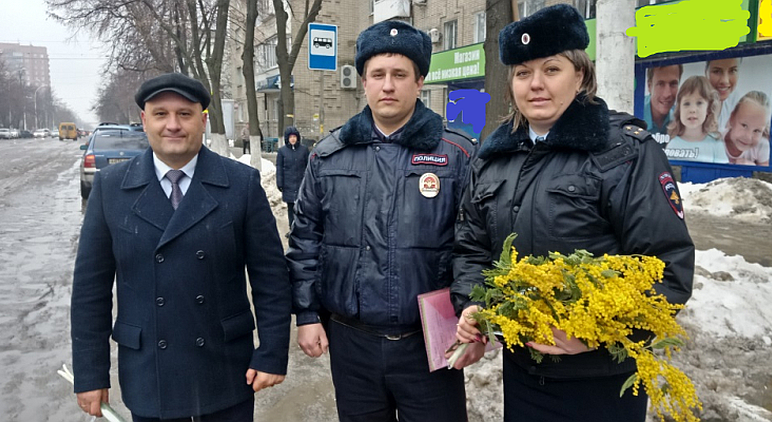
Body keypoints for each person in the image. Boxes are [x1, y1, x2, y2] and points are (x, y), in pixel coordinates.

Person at [449, 5, 695, 422]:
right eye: (523, 73)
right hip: (524, 372)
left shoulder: (624, 151)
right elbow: (472, 246)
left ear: (579, 75)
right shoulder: (494, 156)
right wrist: (473, 303)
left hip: (601, 380)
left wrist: (592, 331)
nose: (536, 84)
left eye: (552, 69)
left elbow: (667, 267)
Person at [71, 73, 291, 422]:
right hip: (150, 374)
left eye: (185, 114)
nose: (173, 125)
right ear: (144, 121)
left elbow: (271, 278)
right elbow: (90, 291)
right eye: (161, 114)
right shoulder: (112, 189)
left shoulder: (240, 184)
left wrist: (273, 352)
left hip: (225, 368)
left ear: (203, 121)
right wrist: (90, 374)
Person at [286, 20, 476, 422]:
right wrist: (305, 315)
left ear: (419, 81)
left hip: (429, 344)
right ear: (364, 81)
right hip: (352, 343)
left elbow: (474, 243)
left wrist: (472, 312)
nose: (388, 85)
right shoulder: (329, 154)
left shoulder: (457, 154)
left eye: (400, 74)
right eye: (378, 75)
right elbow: (306, 238)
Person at [665, 75, 726, 163]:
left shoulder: (716, 144)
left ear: (708, 109)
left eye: (699, 103)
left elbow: (725, 176)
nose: (692, 110)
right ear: (679, 109)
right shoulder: (673, 145)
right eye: (687, 104)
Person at [724, 90, 771, 166]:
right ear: (732, 118)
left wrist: (753, 167)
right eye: (744, 125)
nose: (748, 137)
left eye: (757, 130)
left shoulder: (762, 145)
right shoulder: (716, 140)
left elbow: (765, 175)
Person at [276, 126, 309, 230]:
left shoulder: (304, 150)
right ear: (287, 138)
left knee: (302, 207)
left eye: (294, 136)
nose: (293, 139)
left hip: (301, 184)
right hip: (288, 184)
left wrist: (308, 182)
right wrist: (280, 183)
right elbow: (279, 168)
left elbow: (308, 167)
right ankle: (292, 228)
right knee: (291, 208)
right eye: (290, 137)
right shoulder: (282, 151)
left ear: (298, 137)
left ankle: (301, 228)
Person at [643, 64, 682, 134]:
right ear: (649, 86)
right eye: (660, 84)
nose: (667, 94)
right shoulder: (634, 113)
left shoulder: (681, 119)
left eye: (673, 84)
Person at [706, 57, 742, 131]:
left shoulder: (735, 99)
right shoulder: (693, 101)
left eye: (732, 71)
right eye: (717, 71)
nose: (725, 81)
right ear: (706, 72)